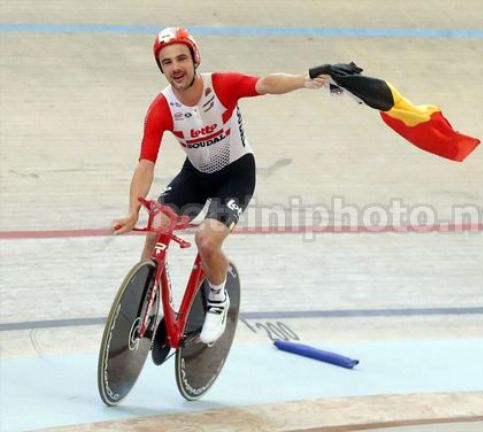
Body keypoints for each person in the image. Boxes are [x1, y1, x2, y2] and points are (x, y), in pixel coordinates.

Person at [113, 27, 328, 344]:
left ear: (195, 57)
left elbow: (265, 83)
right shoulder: (162, 107)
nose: (176, 67)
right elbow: (146, 163)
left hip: (236, 175)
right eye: (167, 61)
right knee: (156, 228)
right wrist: (133, 210)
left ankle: (216, 300)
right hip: (195, 177)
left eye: (182, 58)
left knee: (207, 242)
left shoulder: (221, 86)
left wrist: (304, 79)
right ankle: (147, 303)